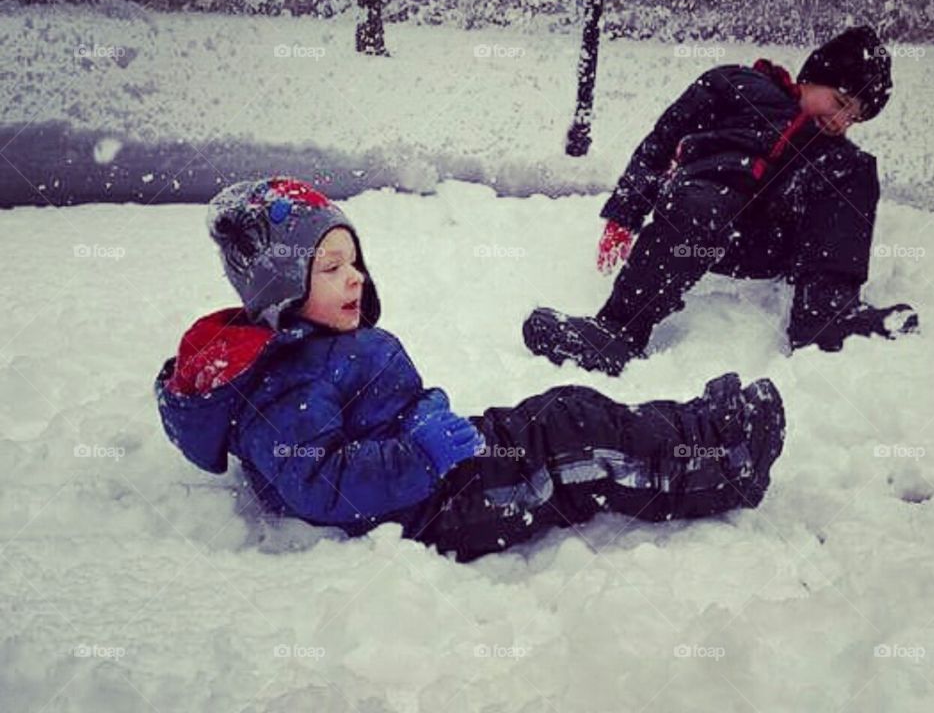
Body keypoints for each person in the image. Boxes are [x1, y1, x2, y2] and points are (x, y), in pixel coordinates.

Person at [154, 176, 786, 563]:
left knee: (562, 410)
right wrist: (419, 456)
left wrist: (425, 411)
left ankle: (701, 427)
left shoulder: (321, 342)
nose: (355, 279)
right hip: (433, 510)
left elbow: (386, 402)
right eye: (330, 269)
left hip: (440, 466)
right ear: (282, 288)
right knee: (574, 441)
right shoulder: (283, 387)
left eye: (354, 261)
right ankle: (724, 465)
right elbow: (321, 483)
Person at [522, 26, 920, 377]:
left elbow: (831, 217)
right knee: (707, 200)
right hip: (698, 221)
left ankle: (824, 317)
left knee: (853, 166)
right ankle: (619, 329)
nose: (840, 121)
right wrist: (625, 215)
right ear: (814, 77)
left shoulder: (826, 151)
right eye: (839, 102)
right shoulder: (735, 86)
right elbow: (658, 144)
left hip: (765, 242)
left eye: (854, 118)